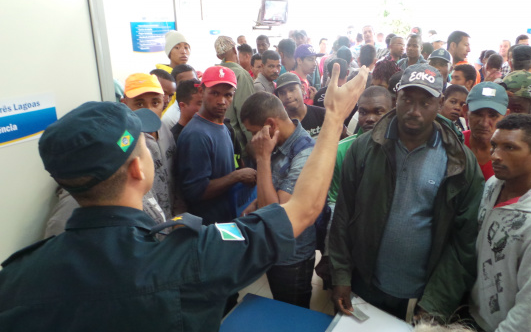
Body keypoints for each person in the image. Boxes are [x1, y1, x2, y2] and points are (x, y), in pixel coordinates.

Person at [0, 62, 369, 332]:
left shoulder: (17, 275)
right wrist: (335, 118)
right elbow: (302, 210)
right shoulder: (191, 252)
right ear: (137, 171)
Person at [330, 64, 484, 322]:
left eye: (425, 102)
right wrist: (341, 276)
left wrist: (437, 301)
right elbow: (343, 217)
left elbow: (463, 243)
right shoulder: (364, 149)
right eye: (407, 100)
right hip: (365, 285)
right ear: (395, 99)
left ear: (440, 103)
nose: (414, 110)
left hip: (420, 296)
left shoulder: (460, 163)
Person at [470, 113, 531, 332]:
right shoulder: (494, 184)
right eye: (494, 146)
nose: (495, 156)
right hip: (474, 313)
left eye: (509, 148)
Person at [240, 92, 318, 308]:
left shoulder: (305, 152)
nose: (253, 139)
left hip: (292, 257)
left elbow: (277, 214)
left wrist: (262, 158)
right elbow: (272, 190)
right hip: (273, 249)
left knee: (292, 313)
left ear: (270, 125)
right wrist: (255, 205)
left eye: (254, 132)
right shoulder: (275, 142)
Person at [176, 66, 255, 225]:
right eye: (214, 93)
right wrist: (237, 176)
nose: (221, 101)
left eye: (228, 95)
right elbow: (196, 191)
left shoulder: (222, 127)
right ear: (201, 92)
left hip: (225, 221)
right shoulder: (197, 134)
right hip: (208, 228)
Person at [121, 73, 176, 218]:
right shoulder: (124, 141)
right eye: (139, 104)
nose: (149, 110)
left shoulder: (165, 129)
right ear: (124, 104)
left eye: (155, 103)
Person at [328, 86, 393, 208]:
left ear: (390, 113)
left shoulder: (399, 149)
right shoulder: (341, 151)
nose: (369, 119)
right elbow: (335, 200)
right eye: (363, 112)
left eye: (378, 112)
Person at [215, 36, 256, 152]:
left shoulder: (212, 74)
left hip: (217, 142)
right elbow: (246, 114)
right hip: (237, 145)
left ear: (218, 56)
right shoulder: (241, 75)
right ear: (234, 49)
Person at [275, 72, 328, 140]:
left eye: (291, 90)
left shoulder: (322, 114)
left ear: (302, 89)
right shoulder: (279, 125)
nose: (288, 96)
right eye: (282, 93)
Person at [161, 64, 198, 130]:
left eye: (193, 81)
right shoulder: (169, 118)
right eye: (184, 83)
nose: (190, 86)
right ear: (175, 86)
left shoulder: (209, 105)